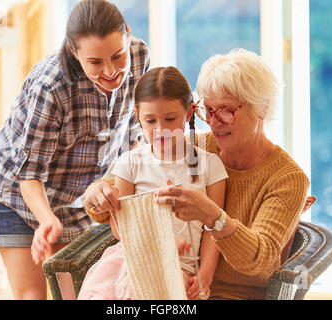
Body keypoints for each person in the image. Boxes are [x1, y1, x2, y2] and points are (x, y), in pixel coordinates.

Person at [83, 48, 310, 300]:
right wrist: (96, 192)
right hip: (162, 277)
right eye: (208, 110)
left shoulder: (286, 178)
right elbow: (122, 194)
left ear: (262, 108)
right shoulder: (198, 146)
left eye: (226, 110)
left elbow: (261, 259)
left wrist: (214, 218)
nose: (213, 122)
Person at [0, 0, 149, 300]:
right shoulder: (52, 85)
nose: (111, 71)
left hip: (80, 197)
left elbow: (134, 136)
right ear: (74, 52)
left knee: (76, 293)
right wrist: (46, 219)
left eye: (117, 55)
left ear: (127, 34)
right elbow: (29, 173)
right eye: (95, 63)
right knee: (33, 296)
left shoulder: (139, 57)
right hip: (19, 196)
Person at [77, 66, 227, 300]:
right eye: (150, 121)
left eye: (170, 119)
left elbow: (214, 229)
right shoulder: (130, 163)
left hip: (177, 271)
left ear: (188, 113)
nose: (161, 130)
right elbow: (119, 229)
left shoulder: (211, 166)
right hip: (130, 260)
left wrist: (204, 277)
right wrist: (161, 241)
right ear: (137, 116)